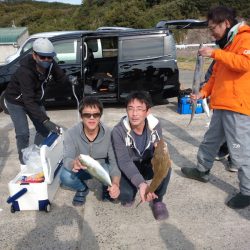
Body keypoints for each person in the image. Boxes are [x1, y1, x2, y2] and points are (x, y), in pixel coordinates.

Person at [181, 6, 250, 209]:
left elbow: (245, 63)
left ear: (226, 24)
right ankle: (202, 170)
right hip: (221, 105)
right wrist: (202, 93)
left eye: (213, 28)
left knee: (240, 151)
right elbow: (215, 77)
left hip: (238, 107)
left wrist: (214, 54)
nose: (212, 33)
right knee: (210, 142)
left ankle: (247, 191)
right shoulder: (226, 46)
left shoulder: (245, 38)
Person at [4, 38, 68, 166]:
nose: (46, 60)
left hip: (34, 99)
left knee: (43, 130)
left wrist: (70, 81)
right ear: (34, 55)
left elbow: (61, 78)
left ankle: (37, 154)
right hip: (16, 101)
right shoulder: (25, 71)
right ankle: (24, 161)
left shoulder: (51, 64)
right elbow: (28, 101)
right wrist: (45, 120)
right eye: (42, 57)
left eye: (49, 57)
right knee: (23, 133)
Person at [111, 91, 171, 220]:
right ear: (126, 110)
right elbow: (124, 162)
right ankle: (133, 189)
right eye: (130, 109)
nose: (134, 114)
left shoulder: (155, 125)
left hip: (147, 163)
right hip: (130, 166)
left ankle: (158, 200)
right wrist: (141, 184)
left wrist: (160, 151)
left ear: (147, 111)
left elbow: (160, 148)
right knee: (125, 196)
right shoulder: (118, 131)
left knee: (166, 166)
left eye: (140, 109)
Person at [60, 96, 120, 206]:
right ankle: (82, 188)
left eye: (96, 114)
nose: (91, 118)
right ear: (81, 116)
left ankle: (108, 186)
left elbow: (114, 163)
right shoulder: (71, 133)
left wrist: (116, 184)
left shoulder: (109, 133)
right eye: (87, 115)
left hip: (101, 166)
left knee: (111, 173)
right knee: (64, 176)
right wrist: (74, 163)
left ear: (100, 116)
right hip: (81, 166)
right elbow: (67, 158)